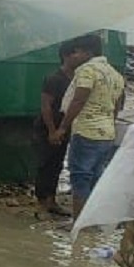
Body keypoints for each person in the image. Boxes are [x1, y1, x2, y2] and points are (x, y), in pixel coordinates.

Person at [53, 34, 126, 220]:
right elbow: (116, 106)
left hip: (87, 132)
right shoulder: (114, 74)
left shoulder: (87, 70)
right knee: (96, 177)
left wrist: (62, 127)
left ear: (87, 52)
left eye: (77, 52)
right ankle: (94, 221)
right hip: (107, 134)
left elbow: (78, 100)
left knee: (80, 178)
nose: (74, 56)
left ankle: (79, 224)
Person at [34, 40, 87, 217]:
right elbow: (46, 106)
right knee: (45, 164)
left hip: (64, 128)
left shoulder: (78, 79)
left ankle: (51, 201)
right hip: (48, 127)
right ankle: (42, 204)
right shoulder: (54, 79)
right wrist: (52, 130)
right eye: (75, 54)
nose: (79, 57)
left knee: (57, 164)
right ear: (66, 56)